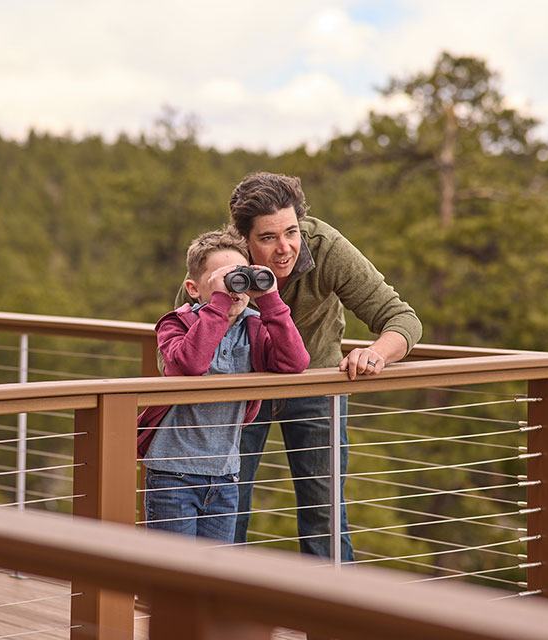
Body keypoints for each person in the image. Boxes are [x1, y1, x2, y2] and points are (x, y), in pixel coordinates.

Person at [174, 172, 422, 560]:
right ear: (244, 240)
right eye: (268, 238)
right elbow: (176, 350)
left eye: (291, 231)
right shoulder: (221, 263)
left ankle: (331, 615)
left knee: (323, 512)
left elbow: (402, 320)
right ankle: (219, 611)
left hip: (315, 383)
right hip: (241, 391)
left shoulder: (325, 247)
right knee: (228, 506)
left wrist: (375, 353)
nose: (285, 247)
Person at [139, 228, 310, 542]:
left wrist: (270, 300)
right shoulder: (176, 323)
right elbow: (190, 364)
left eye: (241, 278)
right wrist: (217, 305)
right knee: (172, 577)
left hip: (226, 474)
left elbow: (295, 362)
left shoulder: (254, 327)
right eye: (223, 279)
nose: (234, 289)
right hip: (173, 473)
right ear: (193, 288)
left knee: (212, 581)